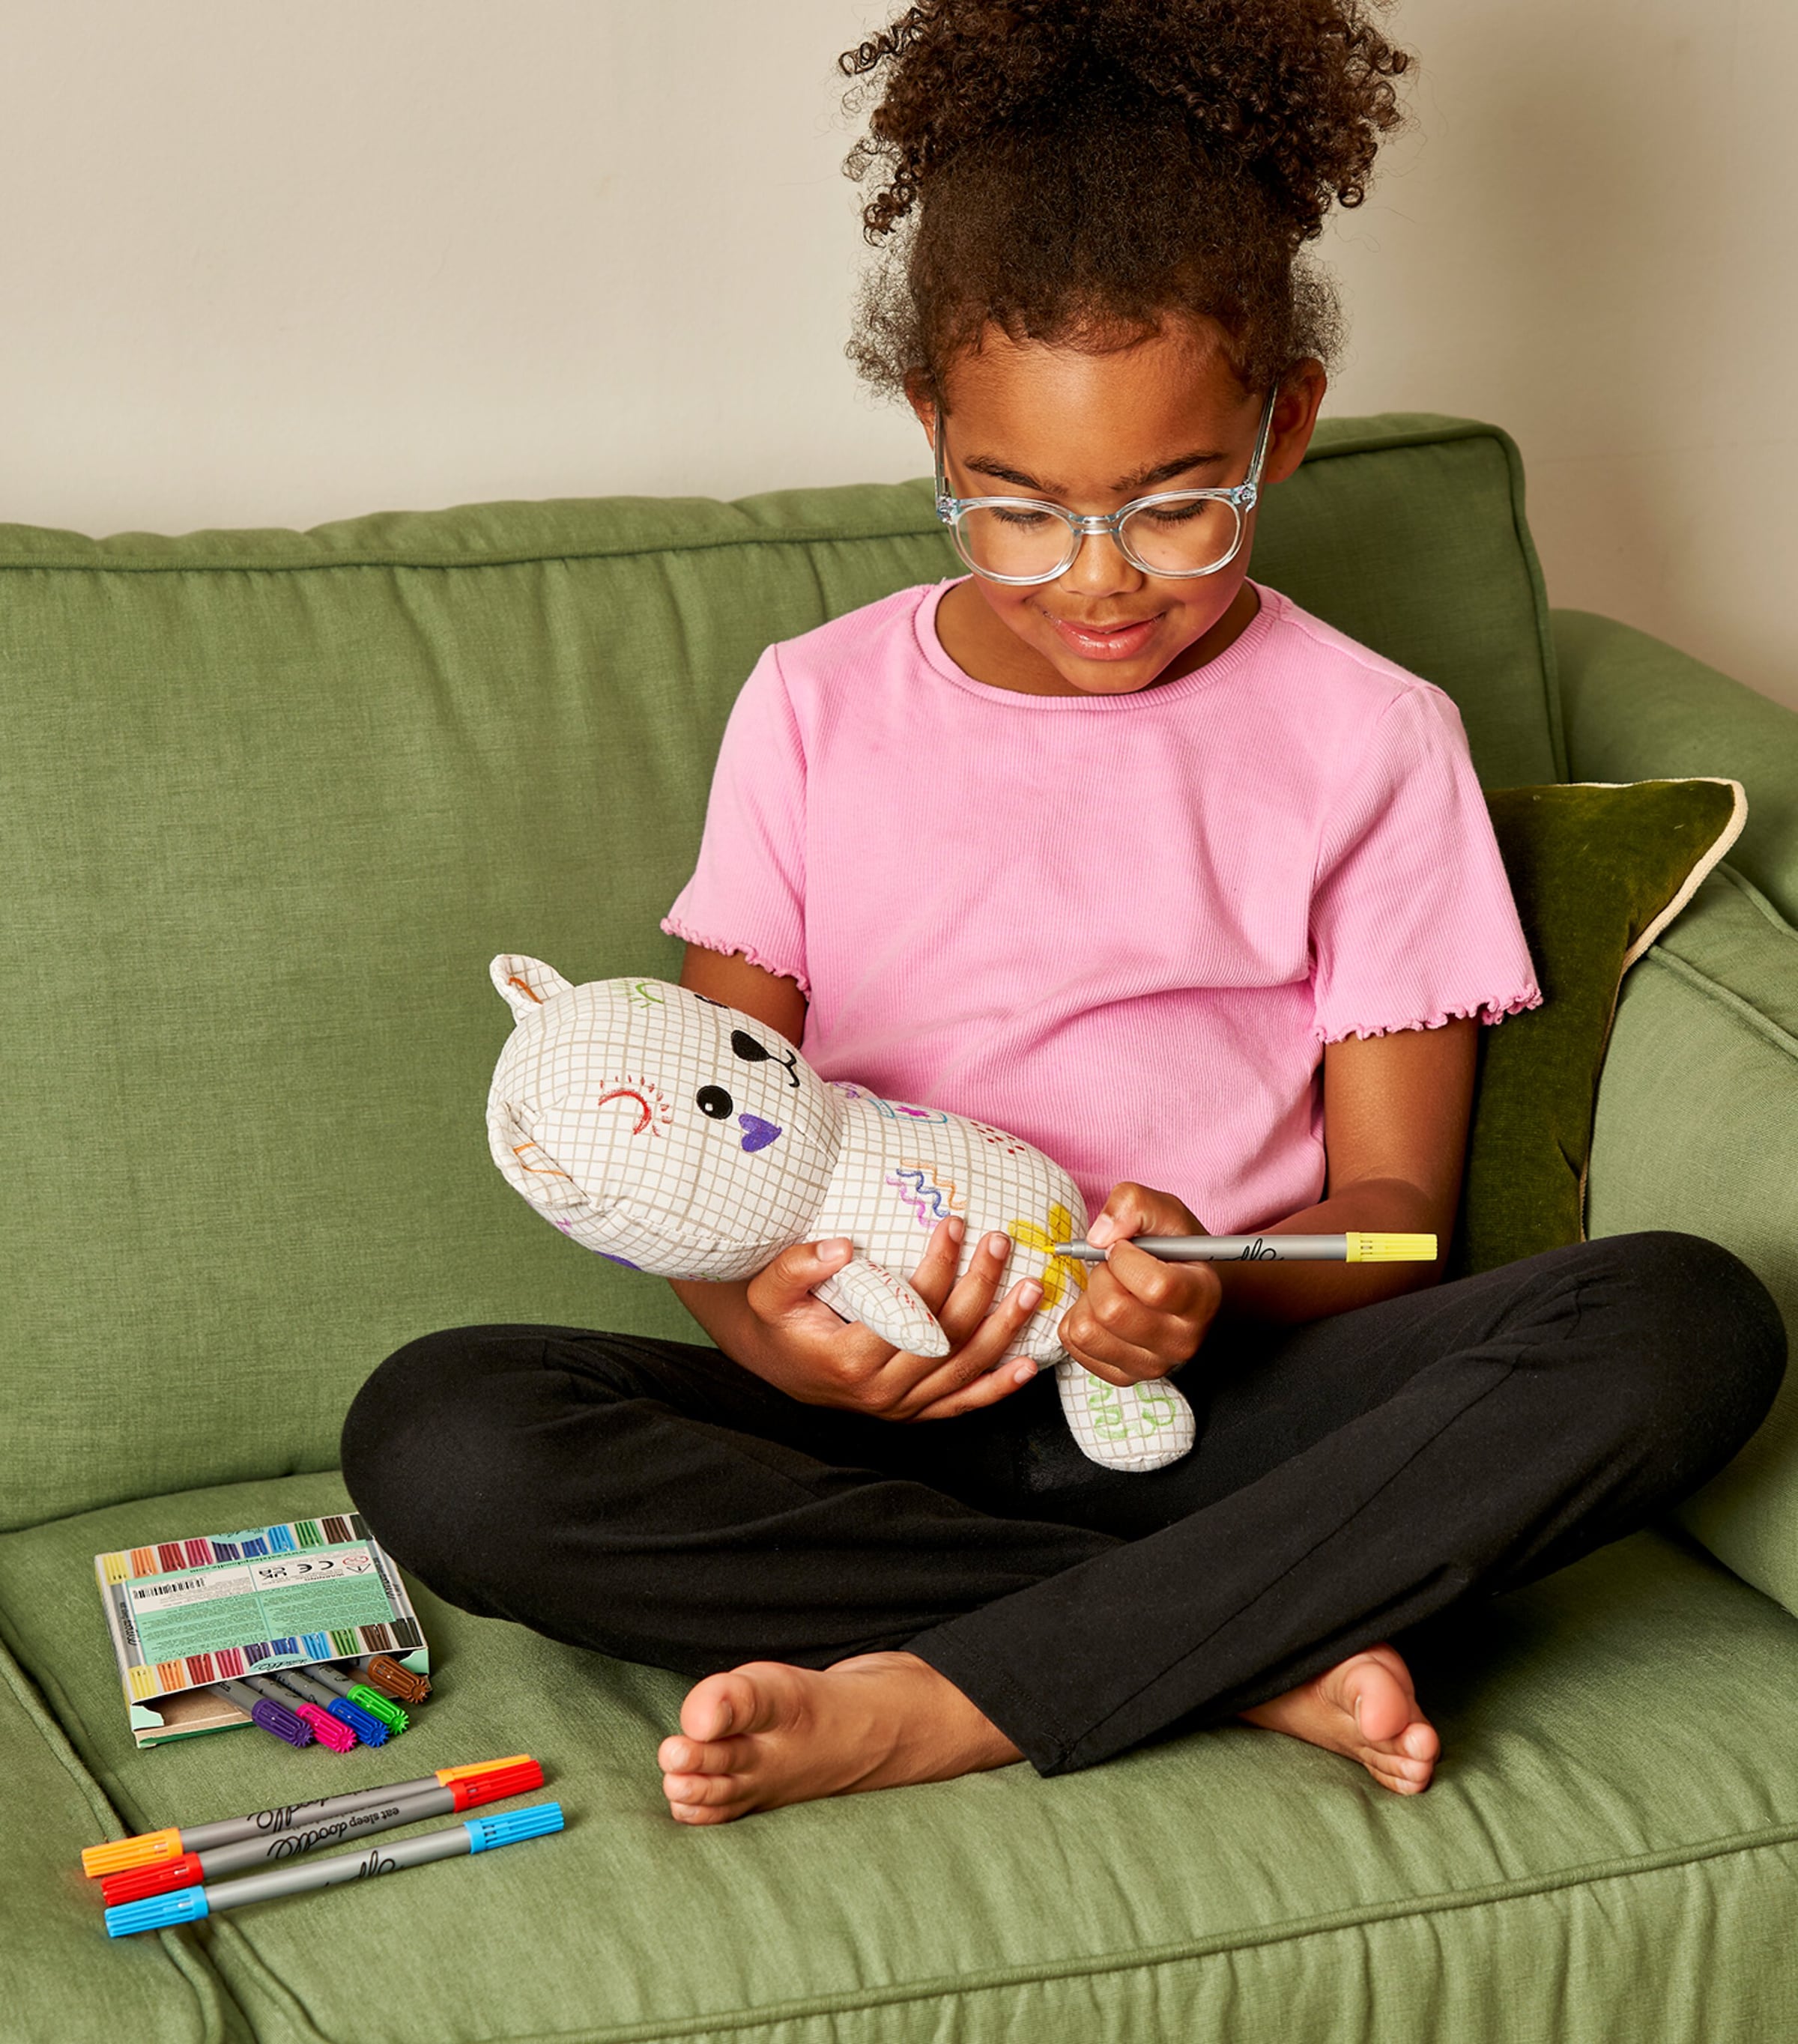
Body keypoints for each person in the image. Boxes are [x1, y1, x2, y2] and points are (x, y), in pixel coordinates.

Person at [341, 0, 1785, 1825]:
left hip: (1226, 1416)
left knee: (1684, 1320)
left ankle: (949, 1695)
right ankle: (1244, 1647)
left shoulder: (1373, 739)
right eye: (1015, 509)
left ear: (1285, 424)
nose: (1098, 582)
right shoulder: (811, 707)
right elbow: (707, 1152)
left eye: (1177, 509)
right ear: (934, 432)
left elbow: (1399, 1221)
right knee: (444, 1432)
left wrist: (1207, 1284)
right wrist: (774, 1342)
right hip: (890, 1436)